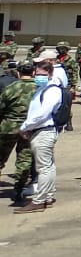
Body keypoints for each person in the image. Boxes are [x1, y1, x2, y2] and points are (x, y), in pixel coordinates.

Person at [16, 60, 64, 213]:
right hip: (40, 130)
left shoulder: (52, 90)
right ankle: (47, 196)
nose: (38, 77)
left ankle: (39, 200)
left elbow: (42, 114)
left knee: (43, 168)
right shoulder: (43, 89)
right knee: (48, 166)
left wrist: (25, 126)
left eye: (42, 74)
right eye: (37, 74)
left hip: (44, 131)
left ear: (50, 74)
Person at [0, 60, 37, 206]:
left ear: (18, 73)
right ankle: (19, 189)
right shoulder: (39, 89)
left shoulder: (10, 88)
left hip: (8, 128)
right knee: (24, 160)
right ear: (33, 72)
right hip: (29, 129)